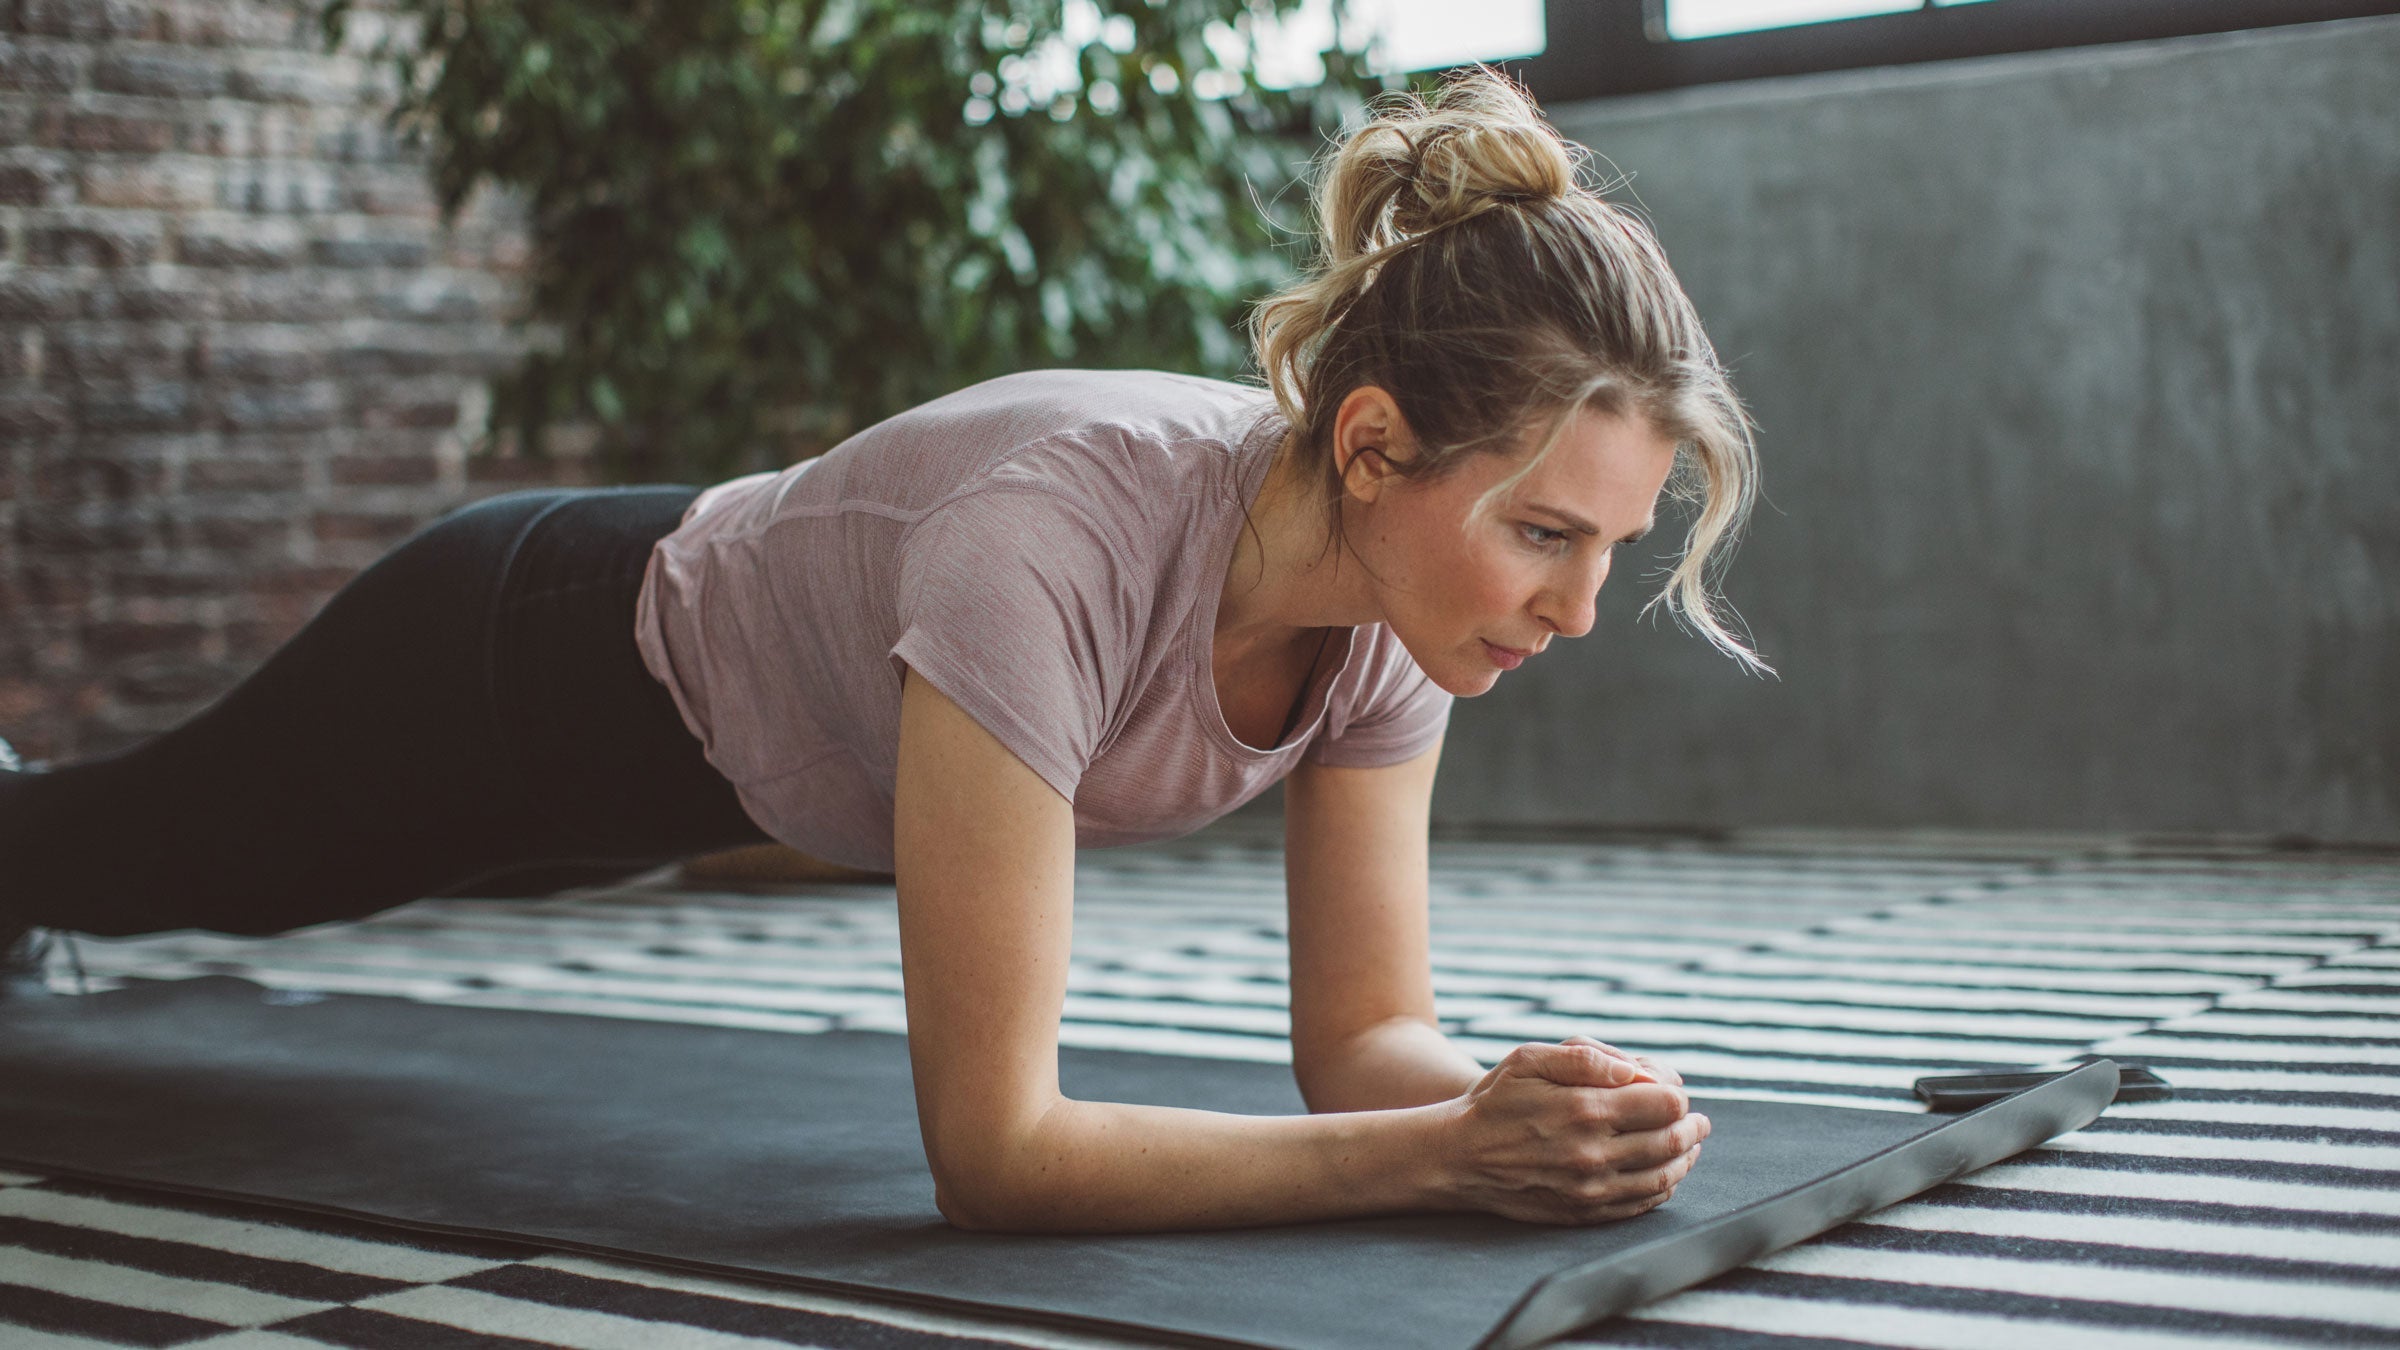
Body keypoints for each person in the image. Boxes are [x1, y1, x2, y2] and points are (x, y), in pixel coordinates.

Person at [0, 67, 1762, 1233]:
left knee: (210, 877)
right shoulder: (1053, 543)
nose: (1579, 608)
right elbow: (1000, 1153)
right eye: (1547, 533)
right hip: (507, 658)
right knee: (119, 859)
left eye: (1610, 545)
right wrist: (1439, 1154)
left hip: (662, 773)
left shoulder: (1382, 609)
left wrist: (1540, 1102)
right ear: (1375, 448)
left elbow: (1367, 1034)